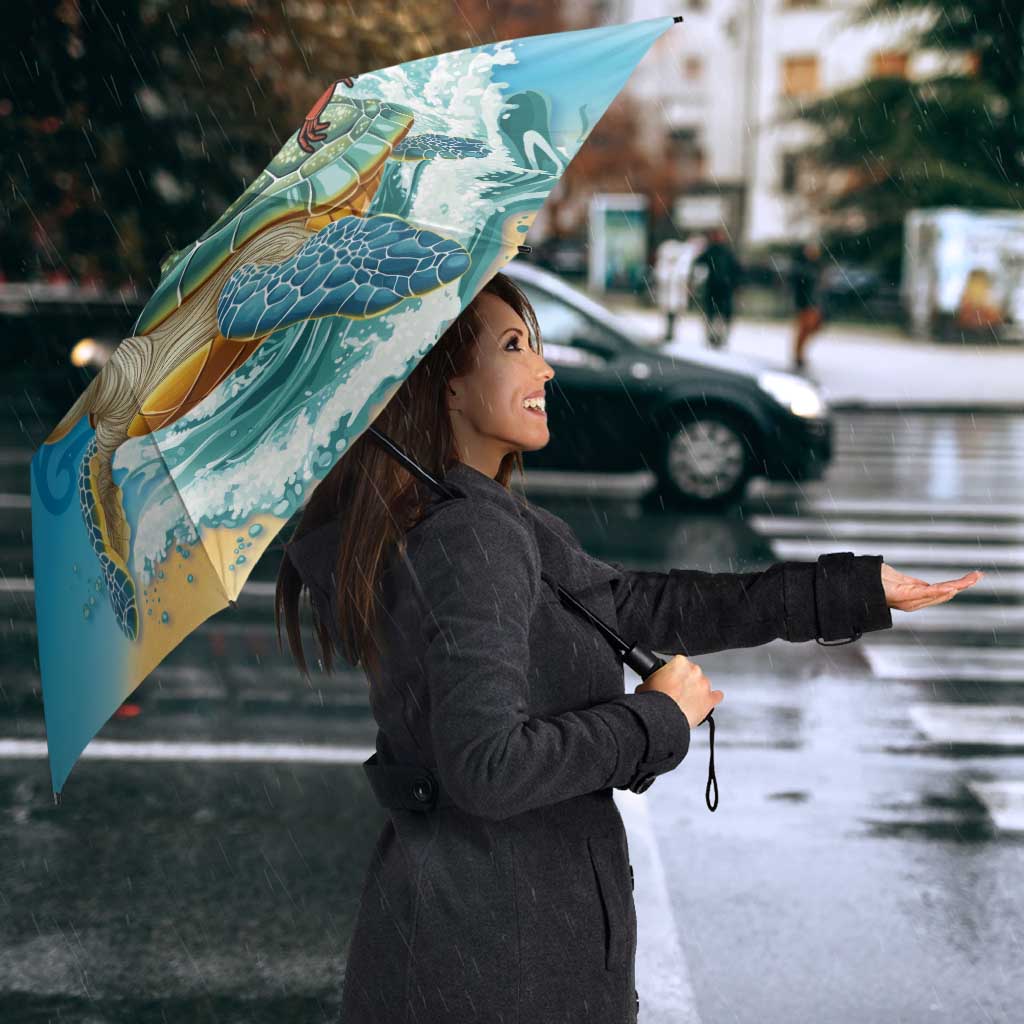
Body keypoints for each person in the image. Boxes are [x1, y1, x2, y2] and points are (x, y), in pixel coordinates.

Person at [276, 271, 981, 1024]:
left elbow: (643, 605)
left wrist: (849, 590)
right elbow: (487, 767)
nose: (544, 367)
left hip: (482, 943)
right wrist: (655, 719)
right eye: (514, 346)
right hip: (496, 962)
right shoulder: (469, 536)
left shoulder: (481, 519)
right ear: (445, 385)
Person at [692, 226, 742, 349]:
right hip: (715, 288)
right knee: (713, 314)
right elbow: (698, 264)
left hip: (723, 288)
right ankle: (713, 337)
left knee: (720, 315)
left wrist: (735, 284)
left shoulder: (725, 252)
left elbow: (736, 270)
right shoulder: (712, 251)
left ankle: (719, 337)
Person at [790, 239, 826, 370]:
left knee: (812, 328)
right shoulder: (802, 267)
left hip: (814, 303)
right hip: (805, 303)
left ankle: (799, 354)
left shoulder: (817, 266)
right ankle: (798, 355)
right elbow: (799, 286)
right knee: (804, 329)